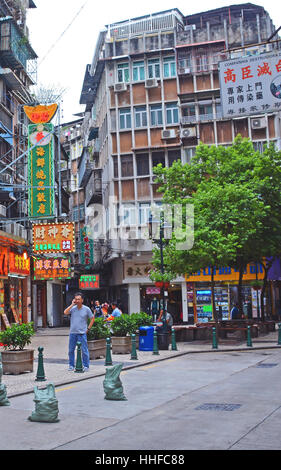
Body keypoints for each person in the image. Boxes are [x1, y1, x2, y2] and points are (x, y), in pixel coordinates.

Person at [64, 292, 95, 372]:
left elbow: (92, 318)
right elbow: (65, 312)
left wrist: (88, 329)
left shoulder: (86, 309)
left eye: (78, 299)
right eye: (76, 299)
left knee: (84, 350)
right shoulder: (73, 308)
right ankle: (71, 365)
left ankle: (86, 365)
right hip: (73, 333)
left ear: (82, 300)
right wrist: (72, 304)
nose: (77, 301)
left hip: (82, 333)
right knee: (71, 350)